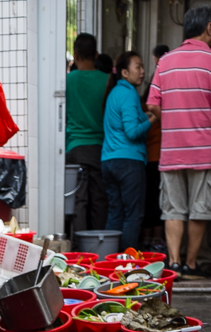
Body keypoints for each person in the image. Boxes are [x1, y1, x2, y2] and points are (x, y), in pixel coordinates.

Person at [146, 5, 211, 277]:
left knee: (172, 209)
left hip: (172, 151)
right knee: (200, 210)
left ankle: (174, 263)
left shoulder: (165, 61)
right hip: (205, 152)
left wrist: (175, 120)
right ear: (209, 27)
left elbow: (152, 104)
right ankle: (191, 264)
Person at [101, 52, 156, 251]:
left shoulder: (115, 92)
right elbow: (132, 132)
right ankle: (128, 262)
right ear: (124, 72)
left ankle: (110, 258)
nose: (142, 71)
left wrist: (145, 116)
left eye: (142, 67)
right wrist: (154, 119)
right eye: (138, 67)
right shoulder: (129, 94)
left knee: (116, 213)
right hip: (128, 162)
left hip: (109, 161)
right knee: (133, 215)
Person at [66, 33, 111, 232]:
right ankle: (99, 243)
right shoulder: (108, 80)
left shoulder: (67, 81)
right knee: (99, 199)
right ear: (96, 55)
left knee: (79, 199)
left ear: (75, 54)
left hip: (75, 147)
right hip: (101, 148)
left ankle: (79, 245)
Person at [142, 44, 169, 248]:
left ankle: (148, 240)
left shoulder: (144, 103)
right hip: (160, 156)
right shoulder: (166, 100)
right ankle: (157, 241)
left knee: (148, 200)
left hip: (148, 157)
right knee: (160, 201)